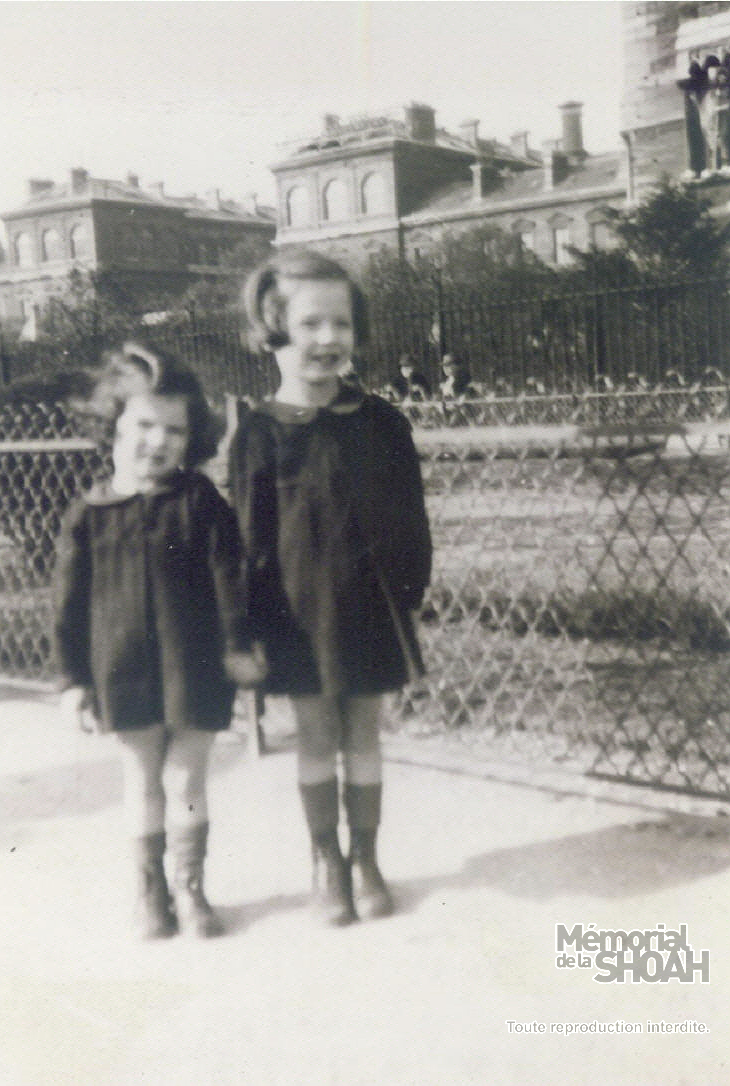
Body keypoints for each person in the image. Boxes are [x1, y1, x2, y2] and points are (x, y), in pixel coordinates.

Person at [230, 250, 432, 926]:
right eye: (310, 323)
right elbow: (249, 539)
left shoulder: (382, 423)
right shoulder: (259, 433)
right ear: (273, 329)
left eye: (340, 323)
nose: (328, 338)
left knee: (365, 733)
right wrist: (247, 627)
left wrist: (409, 596)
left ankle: (367, 858)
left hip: (371, 607)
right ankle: (327, 862)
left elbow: (411, 519)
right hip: (298, 615)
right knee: (316, 736)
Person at [53, 340, 266, 939]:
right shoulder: (88, 513)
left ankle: (190, 888)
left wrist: (238, 646)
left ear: (191, 438)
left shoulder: (200, 502)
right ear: (113, 426)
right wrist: (72, 681)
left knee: (186, 779)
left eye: (175, 430)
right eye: (144, 425)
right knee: (142, 778)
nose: (159, 441)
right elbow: (67, 607)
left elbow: (230, 579)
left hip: (194, 665)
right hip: (120, 669)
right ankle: (150, 890)